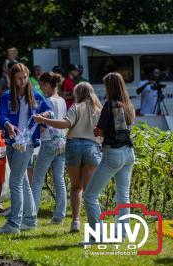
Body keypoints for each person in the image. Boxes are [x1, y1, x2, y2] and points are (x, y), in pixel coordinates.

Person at [36, 82, 102, 232]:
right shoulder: (99, 109)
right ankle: (96, 226)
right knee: (90, 191)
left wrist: (44, 121)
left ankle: (75, 221)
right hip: (92, 147)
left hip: (74, 146)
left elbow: (65, 124)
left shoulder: (76, 107)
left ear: (78, 93)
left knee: (76, 187)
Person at [0, 63, 52, 234]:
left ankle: (14, 224)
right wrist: (7, 125)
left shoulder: (35, 95)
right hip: (11, 142)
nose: (23, 80)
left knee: (15, 182)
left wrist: (42, 116)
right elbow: (1, 116)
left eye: (25, 77)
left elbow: (50, 111)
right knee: (23, 182)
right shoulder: (6, 96)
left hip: (27, 144)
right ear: (13, 79)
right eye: (19, 78)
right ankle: (30, 220)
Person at [83, 72, 136, 244]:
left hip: (113, 153)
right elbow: (122, 130)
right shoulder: (128, 105)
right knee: (123, 196)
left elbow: (99, 131)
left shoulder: (109, 105)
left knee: (90, 195)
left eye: (106, 85)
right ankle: (120, 235)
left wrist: (97, 130)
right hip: (129, 153)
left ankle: (97, 237)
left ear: (110, 86)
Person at [31, 72, 67, 224]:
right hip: (62, 141)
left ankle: (31, 214)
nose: (40, 88)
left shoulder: (47, 101)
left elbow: (44, 126)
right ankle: (59, 215)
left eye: (41, 85)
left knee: (37, 179)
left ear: (46, 85)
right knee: (59, 179)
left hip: (49, 141)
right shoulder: (63, 101)